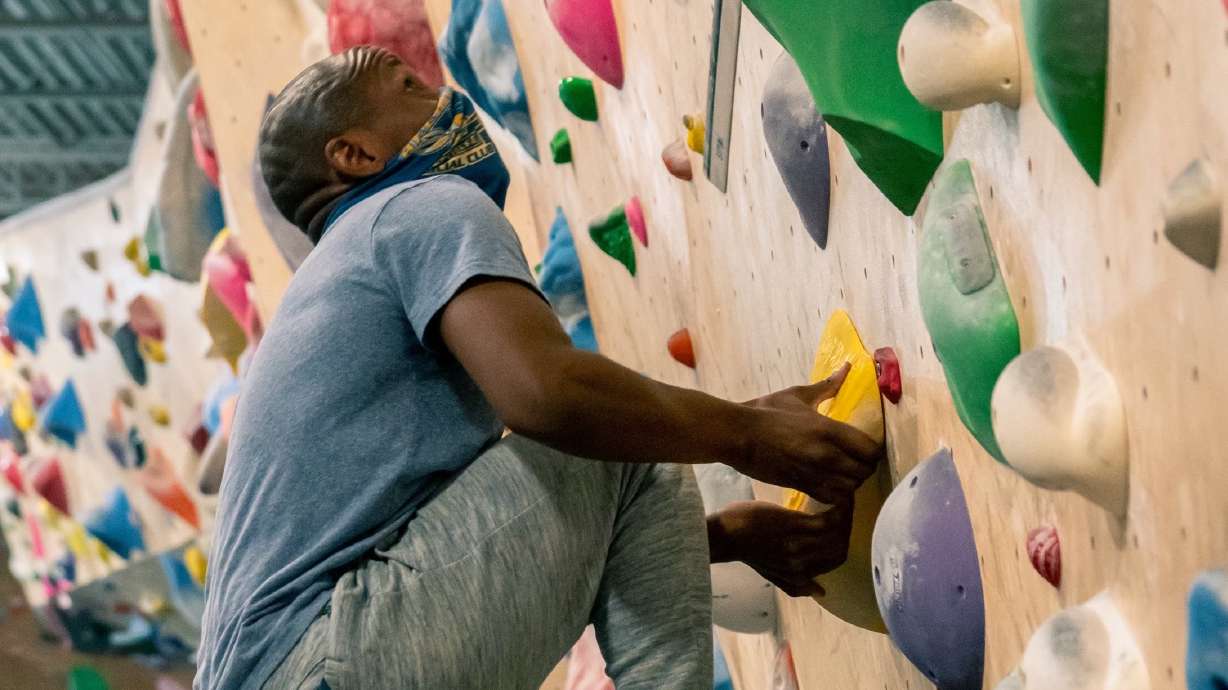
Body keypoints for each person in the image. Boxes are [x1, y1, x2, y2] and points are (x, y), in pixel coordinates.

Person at [195, 46, 881, 690]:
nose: (447, 99)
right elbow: (547, 397)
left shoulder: (342, 272)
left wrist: (722, 537)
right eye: (411, 87)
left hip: (317, 660)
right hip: (326, 652)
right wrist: (751, 437)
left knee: (624, 450)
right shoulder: (412, 209)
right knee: (619, 443)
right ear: (357, 154)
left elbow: (487, 545)